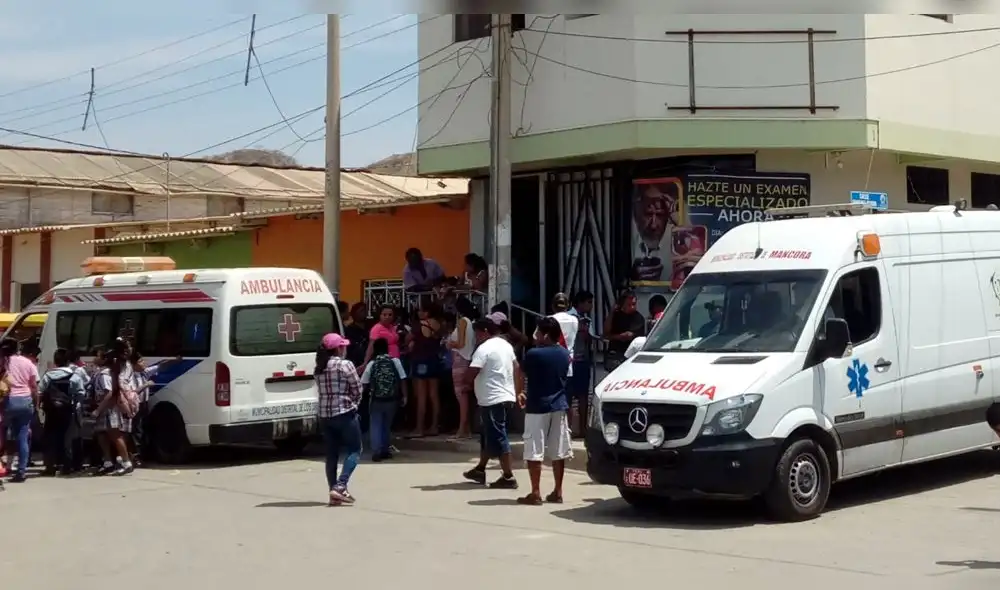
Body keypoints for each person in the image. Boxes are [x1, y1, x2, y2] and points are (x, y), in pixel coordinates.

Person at [517, 317, 573, 505]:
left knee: (534, 450)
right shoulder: (565, 354)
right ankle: (558, 491)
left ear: (545, 335)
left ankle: (535, 492)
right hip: (559, 405)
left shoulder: (534, 354)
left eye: (539, 332)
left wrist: (520, 392)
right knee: (559, 450)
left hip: (537, 406)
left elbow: (521, 372)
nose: (536, 335)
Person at [463, 318, 520, 489]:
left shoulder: (484, 348)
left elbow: (473, 371)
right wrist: (519, 391)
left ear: (485, 331)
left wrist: (466, 382)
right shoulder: (506, 345)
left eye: (478, 333)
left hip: (492, 398)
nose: (477, 337)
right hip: (504, 395)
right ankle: (480, 469)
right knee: (488, 435)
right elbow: (517, 367)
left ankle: (508, 476)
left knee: (498, 435)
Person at [315, 333, 363, 505]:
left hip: (324, 415)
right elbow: (357, 389)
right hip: (344, 413)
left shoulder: (319, 367)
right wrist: (354, 404)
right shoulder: (345, 365)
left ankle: (333, 492)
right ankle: (340, 486)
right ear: (337, 348)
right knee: (355, 450)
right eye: (343, 346)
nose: (345, 349)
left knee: (332, 455)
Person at [92, 338, 140, 476]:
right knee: (102, 434)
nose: (95, 358)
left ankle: (126, 462)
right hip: (108, 406)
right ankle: (108, 462)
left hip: (111, 406)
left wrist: (98, 409)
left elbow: (111, 392)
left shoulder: (108, 372)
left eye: (98, 355)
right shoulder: (116, 367)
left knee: (115, 434)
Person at [38, 348, 87, 476]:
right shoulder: (74, 376)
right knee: (67, 438)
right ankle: (66, 466)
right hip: (68, 410)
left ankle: (50, 467)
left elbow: (40, 391)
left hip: (51, 411)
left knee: (50, 437)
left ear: (55, 361)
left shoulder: (48, 375)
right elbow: (81, 393)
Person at [360, 338, 408, 461]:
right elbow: (403, 378)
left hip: (376, 399)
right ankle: (385, 450)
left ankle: (376, 451)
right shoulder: (395, 361)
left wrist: (360, 397)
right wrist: (405, 395)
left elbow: (364, 382)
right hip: (392, 399)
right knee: (387, 425)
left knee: (375, 424)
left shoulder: (372, 363)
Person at [2, 338, 37, 483]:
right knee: (22, 437)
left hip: (6, 401)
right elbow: (34, 386)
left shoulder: (2, 362)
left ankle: (4, 465)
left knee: (3, 434)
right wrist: (35, 404)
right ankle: (21, 471)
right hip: (25, 401)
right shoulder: (27, 362)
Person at [408, 301, 443, 437]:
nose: (419, 313)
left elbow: (408, 339)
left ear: (427, 312)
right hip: (434, 359)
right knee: (434, 395)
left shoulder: (419, 325)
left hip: (421, 359)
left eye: (421, 310)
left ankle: (419, 428)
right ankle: (434, 426)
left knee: (421, 395)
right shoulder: (438, 324)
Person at [446, 297, 478, 440]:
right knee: (464, 396)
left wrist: (449, 343)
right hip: (465, 359)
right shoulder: (470, 323)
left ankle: (462, 430)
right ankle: (466, 429)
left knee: (461, 397)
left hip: (460, 360)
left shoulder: (462, 322)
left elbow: (460, 343)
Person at [567, 290, 596, 436]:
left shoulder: (586, 320)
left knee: (583, 395)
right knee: (569, 395)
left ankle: (583, 429)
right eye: (588, 302)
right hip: (571, 360)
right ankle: (568, 428)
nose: (591, 306)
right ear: (580, 303)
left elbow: (590, 338)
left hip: (583, 359)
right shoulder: (568, 318)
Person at [603, 291, 646, 371]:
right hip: (614, 354)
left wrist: (612, 336)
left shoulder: (638, 318)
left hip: (630, 355)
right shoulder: (615, 316)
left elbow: (627, 336)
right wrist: (611, 313)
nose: (632, 307)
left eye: (634, 304)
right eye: (629, 305)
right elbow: (605, 333)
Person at [344, 302, 370, 367]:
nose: (364, 313)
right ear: (354, 313)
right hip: (355, 363)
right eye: (361, 311)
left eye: (365, 310)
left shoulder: (371, 327)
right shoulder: (349, 330)